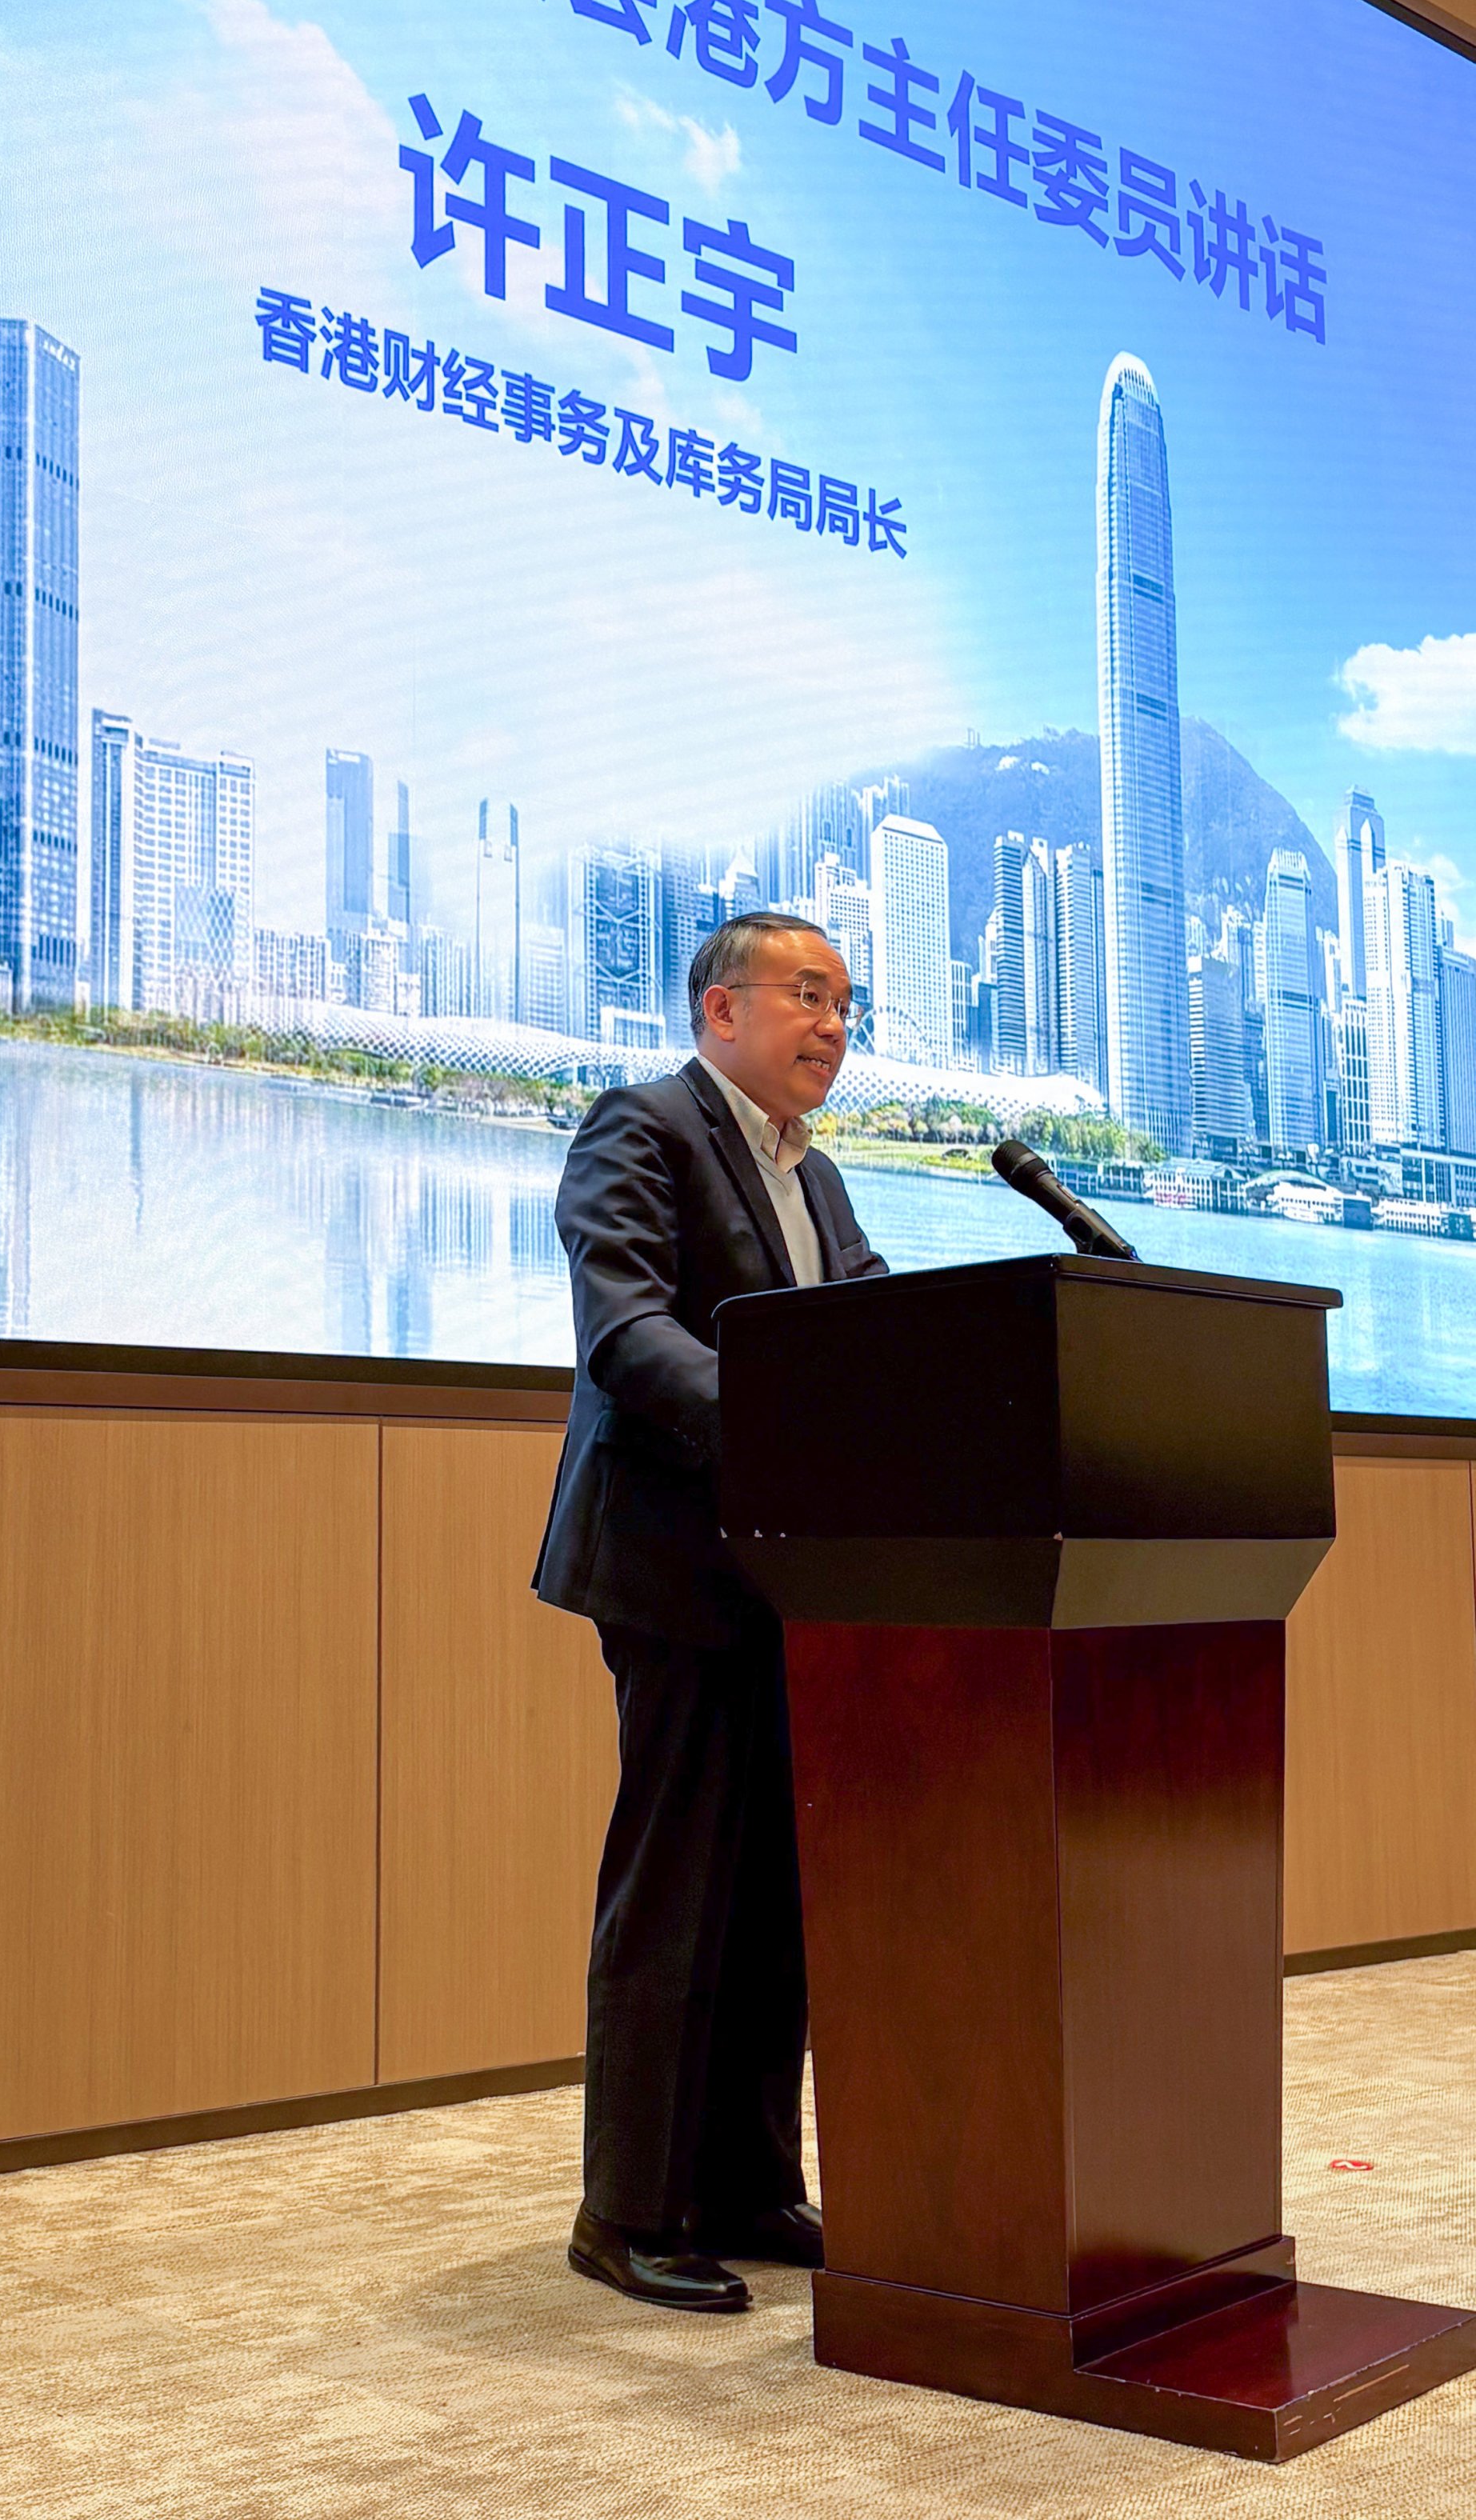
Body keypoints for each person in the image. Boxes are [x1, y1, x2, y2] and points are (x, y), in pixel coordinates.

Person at [534, 908, 889, 2314]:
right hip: (676, 1566)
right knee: (677, 1888)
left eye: (848, 1007)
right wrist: (792, 1433)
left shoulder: (821, 1175)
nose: (834, 1028)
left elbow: (867, 1332)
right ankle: (626, 2210)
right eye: (809, 996)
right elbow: (627, 1332)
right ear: (718, 1009)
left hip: (792, 1578)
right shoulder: (642, 1127)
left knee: (774, 1901)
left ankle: (746, 2185)